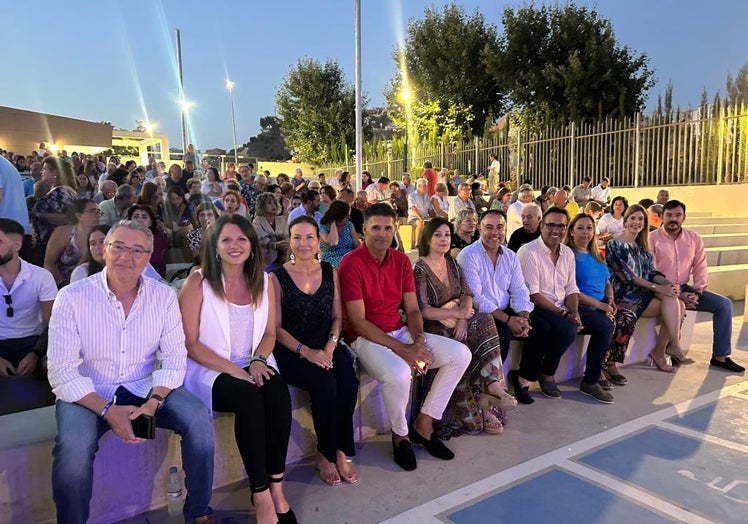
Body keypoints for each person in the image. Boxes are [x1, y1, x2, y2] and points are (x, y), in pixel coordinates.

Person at [47, 220, 216, 524]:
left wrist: (153, 403)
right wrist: (109, 411)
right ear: (103, 250)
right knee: (72, 451)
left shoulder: (163, 296)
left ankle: (199, 513)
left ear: (149, 256)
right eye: (119, 247)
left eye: (137, 250)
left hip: (145, 386)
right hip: (89, 391)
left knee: (198, 420)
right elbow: (61, 371)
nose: (127, 256)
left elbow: (175, 358)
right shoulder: (71, 297)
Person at [179, 214, 294, 524]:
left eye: (242, 239)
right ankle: (259, 494)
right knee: (249, 398)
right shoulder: (198, 282)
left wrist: (257, 360)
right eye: (226, 240)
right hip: (210, 368)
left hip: (255, 361)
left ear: (252, 245)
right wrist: (235, 369)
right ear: (215, 247)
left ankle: (276, 487)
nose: (235, 245)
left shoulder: (266, 282)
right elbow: (190, 343)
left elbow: (270, 333)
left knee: (278, 395)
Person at [338, 203, 470, 471]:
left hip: (400, 330)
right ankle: (400, 436)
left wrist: (418, 340)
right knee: (399, 373)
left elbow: (412, 309)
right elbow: (358, 322)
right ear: (364, 230)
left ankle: (425, 423)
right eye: (375, 227)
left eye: (388, 228)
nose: (382, 233)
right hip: (366, 339)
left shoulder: (400, 261)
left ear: (395, 229)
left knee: (460, 354)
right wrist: (403, 349)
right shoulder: (350, 263)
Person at [270, 216, 359, 486]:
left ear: (318, 239)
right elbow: (274, 328)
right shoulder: (276, 278)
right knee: (325, 385)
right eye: (297, 237)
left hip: (327, 344)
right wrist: (306, 351)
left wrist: (330, 346)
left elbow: (337, 318)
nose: (304, 243)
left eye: (309, 237)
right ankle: (325, 453)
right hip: (292, 350)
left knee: (348, 381)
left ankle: (340, 450)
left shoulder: (329, 271)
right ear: (289, 241)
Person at [414, 217, 515, 435]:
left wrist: (461, 319)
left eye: (447, 235)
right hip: (434, 328)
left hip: (458, 322)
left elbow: (467, 294)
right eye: (437, 235)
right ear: (427, 238)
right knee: (472, 426)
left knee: (485, 319)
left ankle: (492, 386)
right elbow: (423, 309)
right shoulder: (420, 268)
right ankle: (479, 401)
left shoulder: (452, 263)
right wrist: (457, 313)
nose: (443, 239)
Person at [650, 200, 744, 373]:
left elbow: (700, 267)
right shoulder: (652, 239)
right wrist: (678, 295)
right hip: (660, 291)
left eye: (677, 215)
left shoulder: (694, 238)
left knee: (724, 305)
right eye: (669, 215)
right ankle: (667, 349)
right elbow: (651, 272)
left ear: (684, 218)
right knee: (679, 303)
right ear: (662, 217)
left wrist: (698, 292)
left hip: (686, 288)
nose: (673, 219)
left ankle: (720, 357)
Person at [603, 204, 688, 381]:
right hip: (623, 295)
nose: (637, 222)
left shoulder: (643, 247)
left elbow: (651, 272)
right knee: (626, 317)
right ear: (625, 221)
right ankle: (610, 363)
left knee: (677, 302)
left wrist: (667, 284)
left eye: (641, 219)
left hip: (642, 294)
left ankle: (668, 347)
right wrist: (658, 288)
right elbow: (628, 277)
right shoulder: (614, 244)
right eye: (633, 218)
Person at [515, 207, 580, 402]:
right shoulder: (528, 251)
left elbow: (571, 288)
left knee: (601, 324)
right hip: (534, 306)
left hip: (560, 306)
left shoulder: (567, 253)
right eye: (551, 224)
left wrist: (574, 312)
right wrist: (563, 314)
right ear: (542, 226)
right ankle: (534, 375)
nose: (556, 230)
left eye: (561, 226)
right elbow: (533, 294)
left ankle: (593, 377)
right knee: (550, 329)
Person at [456, 210, 533, 364]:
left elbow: (519, 289)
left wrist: (523, 317)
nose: (495, 233)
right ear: (480, 229)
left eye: (499, 227)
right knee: (502, 332)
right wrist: (508, 320)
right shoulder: (469, 255)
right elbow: (476, 298)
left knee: (540, 326)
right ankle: (494, 383)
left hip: (504, 309)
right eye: (489, 227)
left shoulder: (510, 256)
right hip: (478, 312)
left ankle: (523, 378)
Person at [562, 214, 616, 403]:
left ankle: (606, 366)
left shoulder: (596, 254)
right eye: (580, 228)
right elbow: (571, 289)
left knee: (624, 316)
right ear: (571, 231)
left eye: (589, 228)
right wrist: (599, 305)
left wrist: (610, 299)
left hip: (600, 303)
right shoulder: (568, 254)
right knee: (605, 325)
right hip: (580, 305)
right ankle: (591, 379)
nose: (586, 232)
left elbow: (607, 281)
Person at [0, 218, 56, 378]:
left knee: (53, 365)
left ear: (17, 245)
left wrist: (36, 353)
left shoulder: (40, 276)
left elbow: (52, 323)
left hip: (32, 341)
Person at [43, 199, 100, 287]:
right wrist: (62, 283)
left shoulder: (102, 235)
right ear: (79, 215)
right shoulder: (63, 233)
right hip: (61, 284)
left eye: (99, 211)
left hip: (92, 283)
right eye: (93, 211)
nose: (98, 215)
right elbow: (48, 262)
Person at [32, 157, 79, 263]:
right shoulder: (61, 191)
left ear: (55, 173)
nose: (41, 172)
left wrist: (38, 215)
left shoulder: (61, 193)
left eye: (45, 169)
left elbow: (68, 218)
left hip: (55, 245)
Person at [128, 204, 169, 278]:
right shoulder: (122, 237)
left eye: (144, 217)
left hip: (153, 280)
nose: (139, 220)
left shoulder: (159, 237)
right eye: (135, 216)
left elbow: (160, 263)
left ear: (150, 222)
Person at [253, 192, 289, 272]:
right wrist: (274, 245)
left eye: (274, 203)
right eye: (269, 203)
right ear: (262, 206)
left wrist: (285, 243)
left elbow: (287, 235)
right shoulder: (257, 220)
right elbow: (260, 237)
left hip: (282, 254)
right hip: (265, 257)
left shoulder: (281, 220)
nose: (273, 205)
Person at [319, 200, 361, 268]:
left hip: (350, 257)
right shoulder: (323, 226)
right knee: (344, 266)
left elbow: (357, 244)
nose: (348, 217)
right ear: (339, 216)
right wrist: (333, 224)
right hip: (332, 259)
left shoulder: (349, 225)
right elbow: (332, 242)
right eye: (346, 215)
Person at [407, 178, 432, 250]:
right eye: (424, 186)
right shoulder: (412, 195)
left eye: (426, 186)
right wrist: (420, 218)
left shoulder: (426, 196)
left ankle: (429, 243)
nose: (426, 187)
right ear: (419, 186)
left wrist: (433, 217)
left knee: (434, 223)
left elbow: (430, 209)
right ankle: (417, 243)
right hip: (414, 217)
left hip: (425, 216)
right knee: (420, 223)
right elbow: (413, 208)